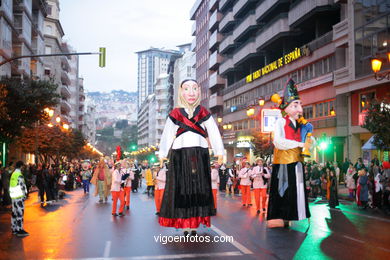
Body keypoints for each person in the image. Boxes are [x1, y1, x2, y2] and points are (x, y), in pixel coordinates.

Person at [158, 79, 224, 236]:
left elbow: (214, 132)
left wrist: (219, 151)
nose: (191, 92)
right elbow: (167, 134)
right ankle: (184, 222)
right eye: (187, 89)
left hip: (199, 154)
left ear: (199, 91)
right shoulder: (175, 114)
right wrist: (162, 153)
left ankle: (193, 223)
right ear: (181, 92)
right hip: (179, 155)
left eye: (195, 88)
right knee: (182, 189)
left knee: (198, 189)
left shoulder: (203, 112)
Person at [267, 79, 311, 228]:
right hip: (283, 162)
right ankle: (281, 216)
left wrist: (310, 140)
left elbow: (310, 142)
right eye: (295, 105)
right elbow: (278, 141)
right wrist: (300, 144)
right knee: (284, 189)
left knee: (297, 190)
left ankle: (296, 214)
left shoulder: (301, 125)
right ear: (286, 108)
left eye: (300, 105)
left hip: (297, 162)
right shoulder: (280, 122)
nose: (300, 109)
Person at [9, 161, 29, 237]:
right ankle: (19, 229)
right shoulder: (19, 175)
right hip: (19, 197)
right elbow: (22, 187)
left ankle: (14, 229)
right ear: (21, 166)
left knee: (14, 213)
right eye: (23, 166)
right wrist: (24, 196)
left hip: (13, 197)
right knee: (20, 213)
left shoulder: (13, 174)